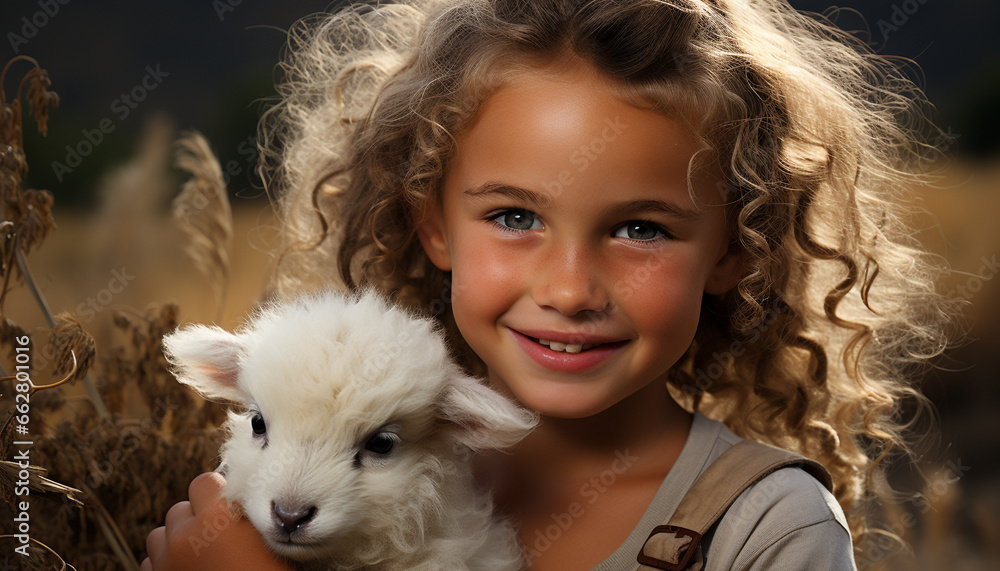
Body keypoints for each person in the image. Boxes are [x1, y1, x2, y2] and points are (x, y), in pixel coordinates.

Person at [142, 0, 957, 569]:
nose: (570, 288)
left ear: (734, 250)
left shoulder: (764, 528)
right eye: (513, 216)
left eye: (641, 228)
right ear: (433, 223)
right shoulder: (272, 493)